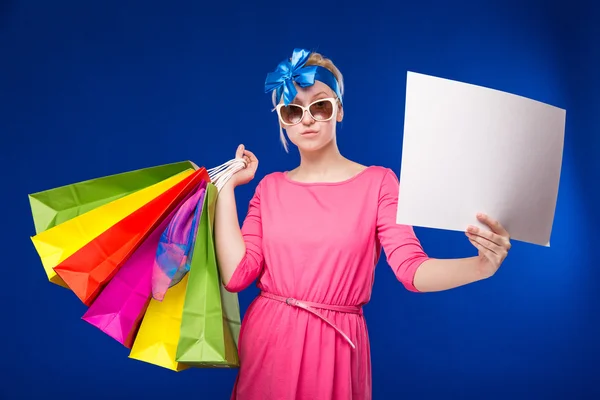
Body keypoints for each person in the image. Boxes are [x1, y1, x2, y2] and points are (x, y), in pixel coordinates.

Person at [214, 48, 512, 400]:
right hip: (268, 339)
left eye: (320, 106)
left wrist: (482, 266)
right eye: (293, 110)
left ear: (339, 110)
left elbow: (411, 270)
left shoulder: (379, 183)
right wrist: (227, 188)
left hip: (335, 344)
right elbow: (237, 275)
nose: (307, 119)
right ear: (283, 120)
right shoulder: (270, 187)